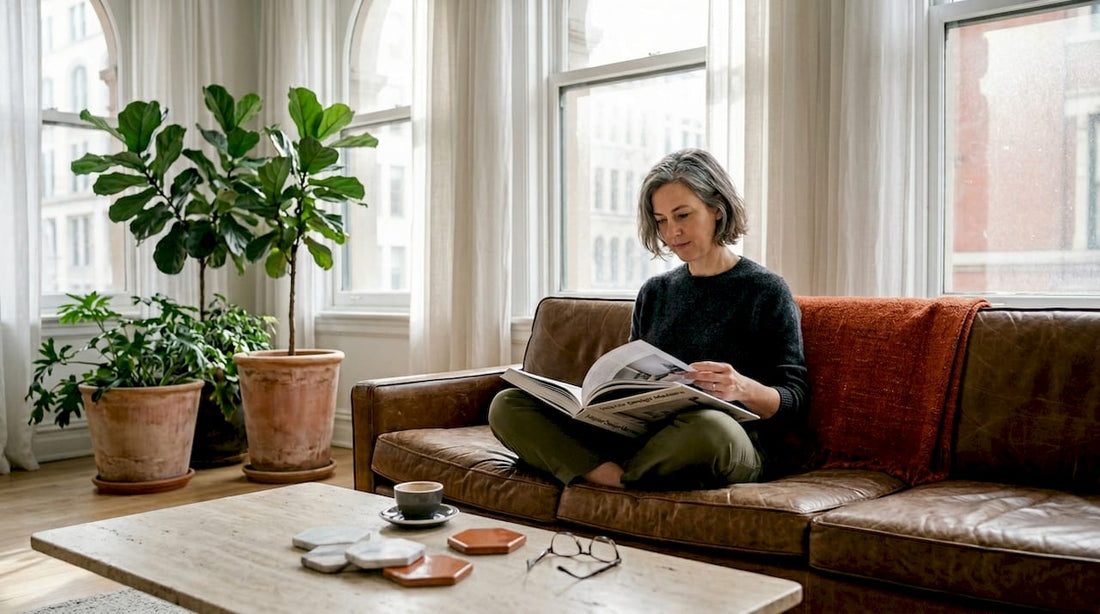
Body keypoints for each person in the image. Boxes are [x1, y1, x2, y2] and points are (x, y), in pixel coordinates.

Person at [488, 148, 809, 490]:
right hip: (647, 437)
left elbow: (794, 398)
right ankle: (618, 480)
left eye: (683, 215)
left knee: (711, 429)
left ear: (717, 208)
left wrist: (742, 387)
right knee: (508, 405)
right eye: (661, 221)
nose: (672, 232)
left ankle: (603, 474)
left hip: (728, 440)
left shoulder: (765, 290)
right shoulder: (655, 292)